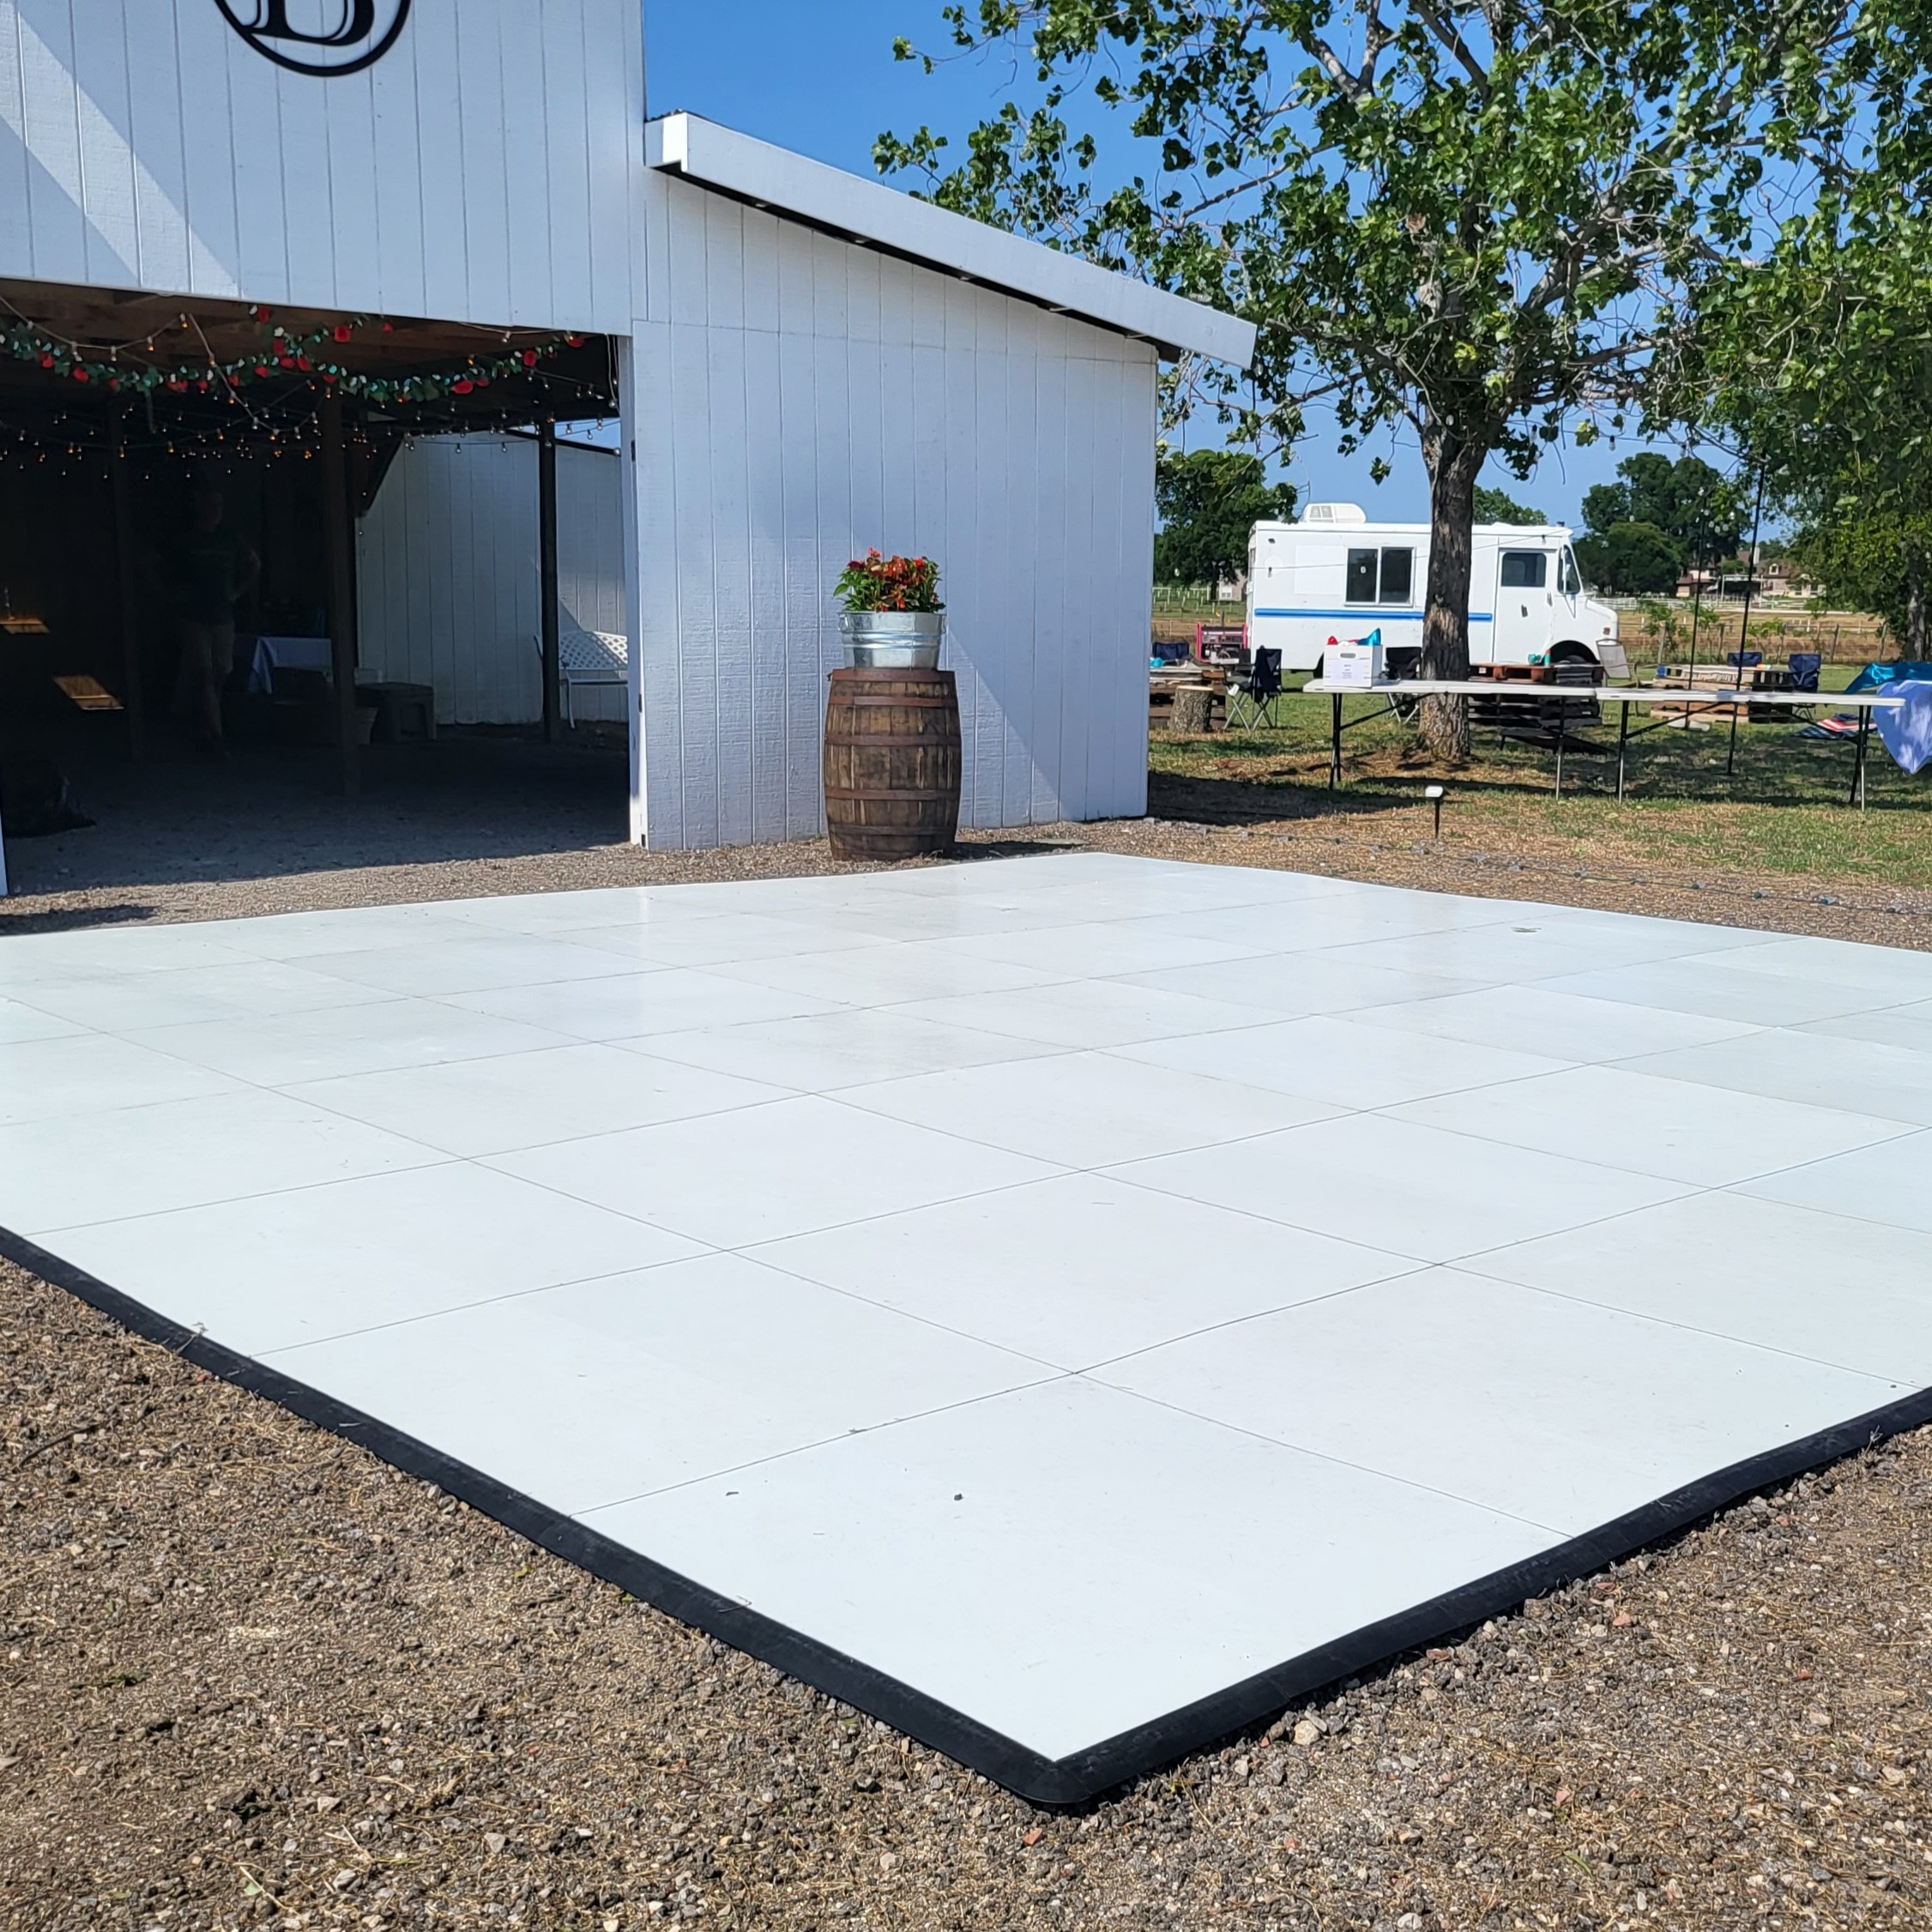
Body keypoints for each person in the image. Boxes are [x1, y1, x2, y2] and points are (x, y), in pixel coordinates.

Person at [168, 482, 259, 753]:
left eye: (219, 505)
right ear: (198, 507)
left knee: (221, 671)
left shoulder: (229, 538)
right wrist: (172, 593)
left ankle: (201, 720)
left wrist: (237, 592)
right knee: (203, 672)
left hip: (223, 616)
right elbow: (153, 563)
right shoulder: (186, 539)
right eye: (210, 505)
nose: (216, 510)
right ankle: (216, 735)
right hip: (193, 616)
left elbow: (254, 562)